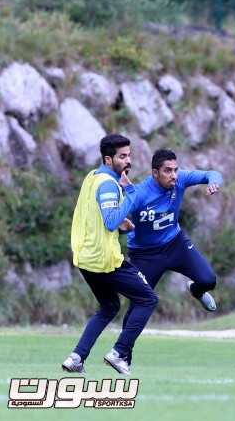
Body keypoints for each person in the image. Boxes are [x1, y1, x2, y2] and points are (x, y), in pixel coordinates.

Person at [62, 134, 158, 375]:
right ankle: (119, 352)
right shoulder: (108, 184)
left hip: (85, 257)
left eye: (129, 155)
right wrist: (132, 195)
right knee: (148, 299)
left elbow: (100, 216)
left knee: (109, 307)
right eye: (123, 156)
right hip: (104, 260)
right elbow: (110, 220)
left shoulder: (91, 177)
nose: (129, 161)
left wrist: (121, 222)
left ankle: (76, 358)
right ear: (108, 158)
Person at [121, 149, 222, 363]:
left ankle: (195, 289)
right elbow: (116, 217)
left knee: (208, 280)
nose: (174, 175)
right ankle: (123, 356)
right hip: (145, 254)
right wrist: (122, 224)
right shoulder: (139, 194)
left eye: (175, 170)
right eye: (168, 171)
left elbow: (211, 173)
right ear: (155, 173)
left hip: (175, 244)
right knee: (138, 305)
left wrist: (214, 182)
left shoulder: (180, 180)